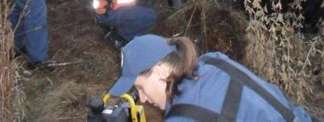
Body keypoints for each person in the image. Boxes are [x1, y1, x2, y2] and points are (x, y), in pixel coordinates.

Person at [109, 34, 312, 122]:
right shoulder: (213, 61)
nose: (143, 99)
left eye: (141, 87)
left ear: (161, 71)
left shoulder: (185, 116)